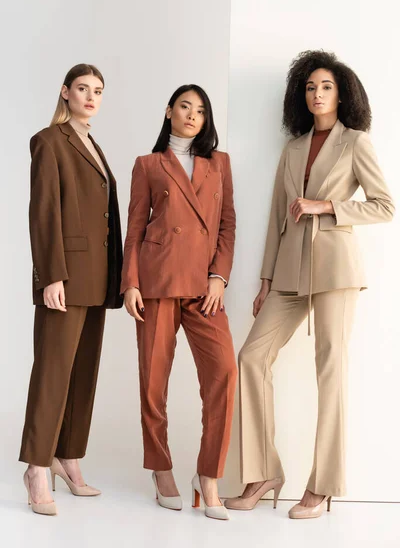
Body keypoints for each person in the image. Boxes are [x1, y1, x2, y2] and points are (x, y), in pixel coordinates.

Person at [225, 50, 394, 519]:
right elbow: (278, 217)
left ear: (341, 94)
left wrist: (327, 207)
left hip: (336, 269)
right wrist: (264, 279)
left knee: (330, 371)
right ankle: (263, 472)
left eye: (325, 86)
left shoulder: (356, 143)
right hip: (287, 273)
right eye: (310, 87)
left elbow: (384, 206)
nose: (316, 94)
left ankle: (322, 486)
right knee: (252, 356)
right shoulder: (293, 148)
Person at [121, 84, 237, 520]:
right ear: (169, 111)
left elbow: (227, 226)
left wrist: (219, 277)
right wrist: (130, 282)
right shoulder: (148, 164)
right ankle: (161, 467)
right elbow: (134, 228)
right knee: (153, 381)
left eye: (201, 110)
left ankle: (208, 475)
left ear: (206, 120)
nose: (192, 115)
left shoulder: (218, 164)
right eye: (185, 107)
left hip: (205, 289)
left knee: (224, 371)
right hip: (156, 281)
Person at [20, 64, 123, 515]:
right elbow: (44, 213)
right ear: (65, 92)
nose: (90, 96)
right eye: (82, 88)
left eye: (97, 90)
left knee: (83, 373)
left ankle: (68, 456)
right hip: (66, 275)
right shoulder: (48, 142)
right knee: (52, 373)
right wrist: (51, 276)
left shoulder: (93, 145)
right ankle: (36, 468)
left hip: (98, 277)